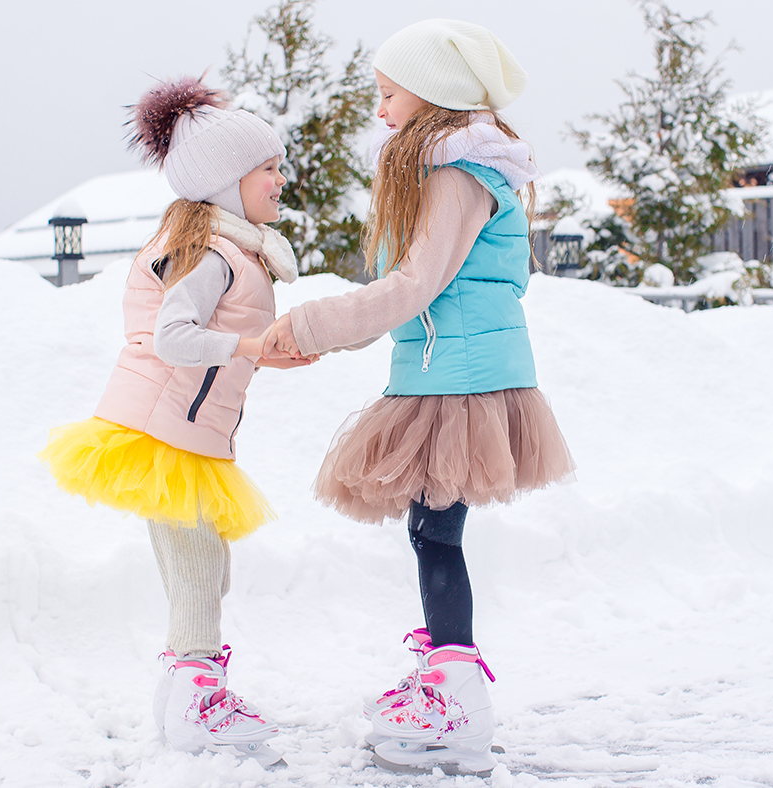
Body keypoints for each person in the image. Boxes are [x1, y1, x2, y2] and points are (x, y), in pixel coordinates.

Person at [263, 19, 576, 776]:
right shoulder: (459, 169)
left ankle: (456, 693)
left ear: (432, 94)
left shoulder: (459, 175)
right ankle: (446, 669)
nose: (379, 110)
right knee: (431, 529)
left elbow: (412, 286)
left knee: (436, 533)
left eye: (388, 93)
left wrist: (311, 324)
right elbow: (421, 289)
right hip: (450, 366)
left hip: (458, 377)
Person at [39, 76, 308, 766]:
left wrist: (258, 357)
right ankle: (197, 705)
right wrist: (252, 347)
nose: (283, 179)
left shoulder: (227, 247)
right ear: (227, 183)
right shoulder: (212, 254)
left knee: (201, 567)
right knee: (197, 570)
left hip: (183, 429)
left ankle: (184, 697)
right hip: (170, 433)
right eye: (269, 169)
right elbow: (174, 337)